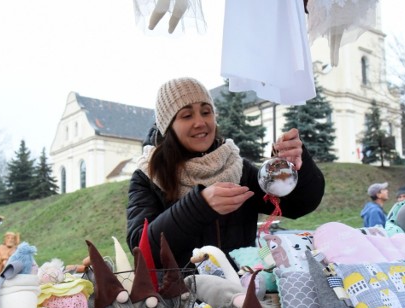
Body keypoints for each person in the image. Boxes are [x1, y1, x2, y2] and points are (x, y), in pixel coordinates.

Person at [126, 77, 325, 269]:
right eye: (187, 115)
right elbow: (141, 250)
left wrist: (294, 165)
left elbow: (299, 205)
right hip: (181, 300)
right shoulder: (148, 176)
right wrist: (199, 206)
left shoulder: (236, 168)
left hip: (244, 291)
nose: (200, 122)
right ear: (168, 127)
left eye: (206, 112)